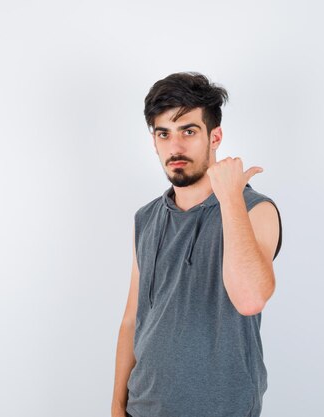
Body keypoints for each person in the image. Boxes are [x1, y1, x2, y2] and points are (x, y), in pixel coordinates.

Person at [111, 72, 282, 417]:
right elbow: (133, 320)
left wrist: (231, 197)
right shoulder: (146, 218)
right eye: (164, 134)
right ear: (154, 141)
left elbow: (250, 299)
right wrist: (117, 408)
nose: (175, 147)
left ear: (215, 136)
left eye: (188, 131)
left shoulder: (254, 209)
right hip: (143, 408)